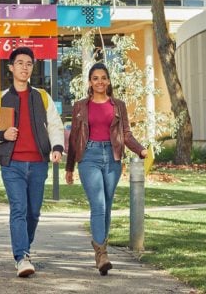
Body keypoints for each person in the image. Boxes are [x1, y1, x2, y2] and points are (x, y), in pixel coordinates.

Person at [0, 46, 64, 278]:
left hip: (38, 163)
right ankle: (21, 257)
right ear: (11, 67)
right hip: (12, 164)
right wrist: (1, 135)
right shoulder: (0, 98)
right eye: (20, 63)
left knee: (34, 212)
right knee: (19, 209)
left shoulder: (42, 97)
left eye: (28, 63)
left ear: (32, 67)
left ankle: (24, 250)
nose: (24, 67)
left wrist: (57, 147)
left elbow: (55, 126)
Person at [65, 62, 148, 276]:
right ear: (90, 82)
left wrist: (141, 150)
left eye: (103, 77)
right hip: (89, 156)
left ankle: (102, 250)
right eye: (95, 78)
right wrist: (69, 167)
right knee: (99, 205)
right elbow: (75, 137)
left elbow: (126, 134)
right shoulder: (80, 106)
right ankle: (101, 254)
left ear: (109, 81)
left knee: (107, 205)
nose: (99, 81)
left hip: (113, 157)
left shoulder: (118, 105)